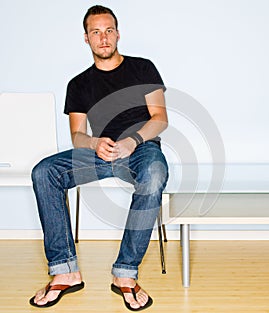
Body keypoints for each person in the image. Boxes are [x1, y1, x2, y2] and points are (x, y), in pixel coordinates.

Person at [29, 5, 169, 311]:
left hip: (140, 148)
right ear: (86, 38)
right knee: (44, 172)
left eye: (108, 31)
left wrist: (133, 141)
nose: (103, 38)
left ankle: (125, 275)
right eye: (96, 32)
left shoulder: (142, 68)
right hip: (101, 152)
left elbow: (160, 118)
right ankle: (65, 271)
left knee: (154, 175)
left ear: (118, 34)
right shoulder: (78, 84)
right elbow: (77, 136)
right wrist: (95, 143)